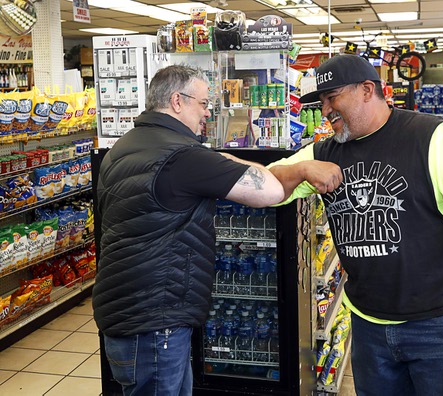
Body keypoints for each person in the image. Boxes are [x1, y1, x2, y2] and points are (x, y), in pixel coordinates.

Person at [268, 54, 443, 395]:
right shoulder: (324, 152)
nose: (326, 109)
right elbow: (269, 182)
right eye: (322, 101)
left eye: (333, 98)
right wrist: (301, 170)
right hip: (367, 322)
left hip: (436, 321)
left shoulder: (432, 135)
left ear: (366, 90)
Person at [93, 65, 293, 396]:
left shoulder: (122, 148)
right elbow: (270, 191)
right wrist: (235, 161)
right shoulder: (182, 155)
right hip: (156, 323)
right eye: (202, 103)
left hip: (127, 313)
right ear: (176, 101)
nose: (207, 113)